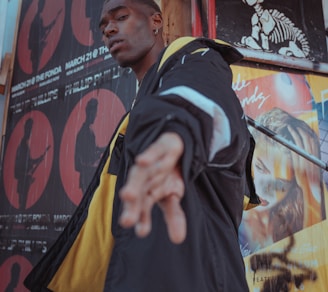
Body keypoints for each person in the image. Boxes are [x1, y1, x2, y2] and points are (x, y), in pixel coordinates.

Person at [24, 0, 259, 291]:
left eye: (121, 17)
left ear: (156, 22)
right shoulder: (143, 102)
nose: (109, 29)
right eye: (103, 27)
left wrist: (176, 131)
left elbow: (201, 107)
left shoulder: (196, 61)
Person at [239, 107, 325, 254]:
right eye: (259, 167)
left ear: (295, 186)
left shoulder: (296, 220)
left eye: (281, 184)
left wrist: (312, 194)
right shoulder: (227, 213)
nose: (263, 188)